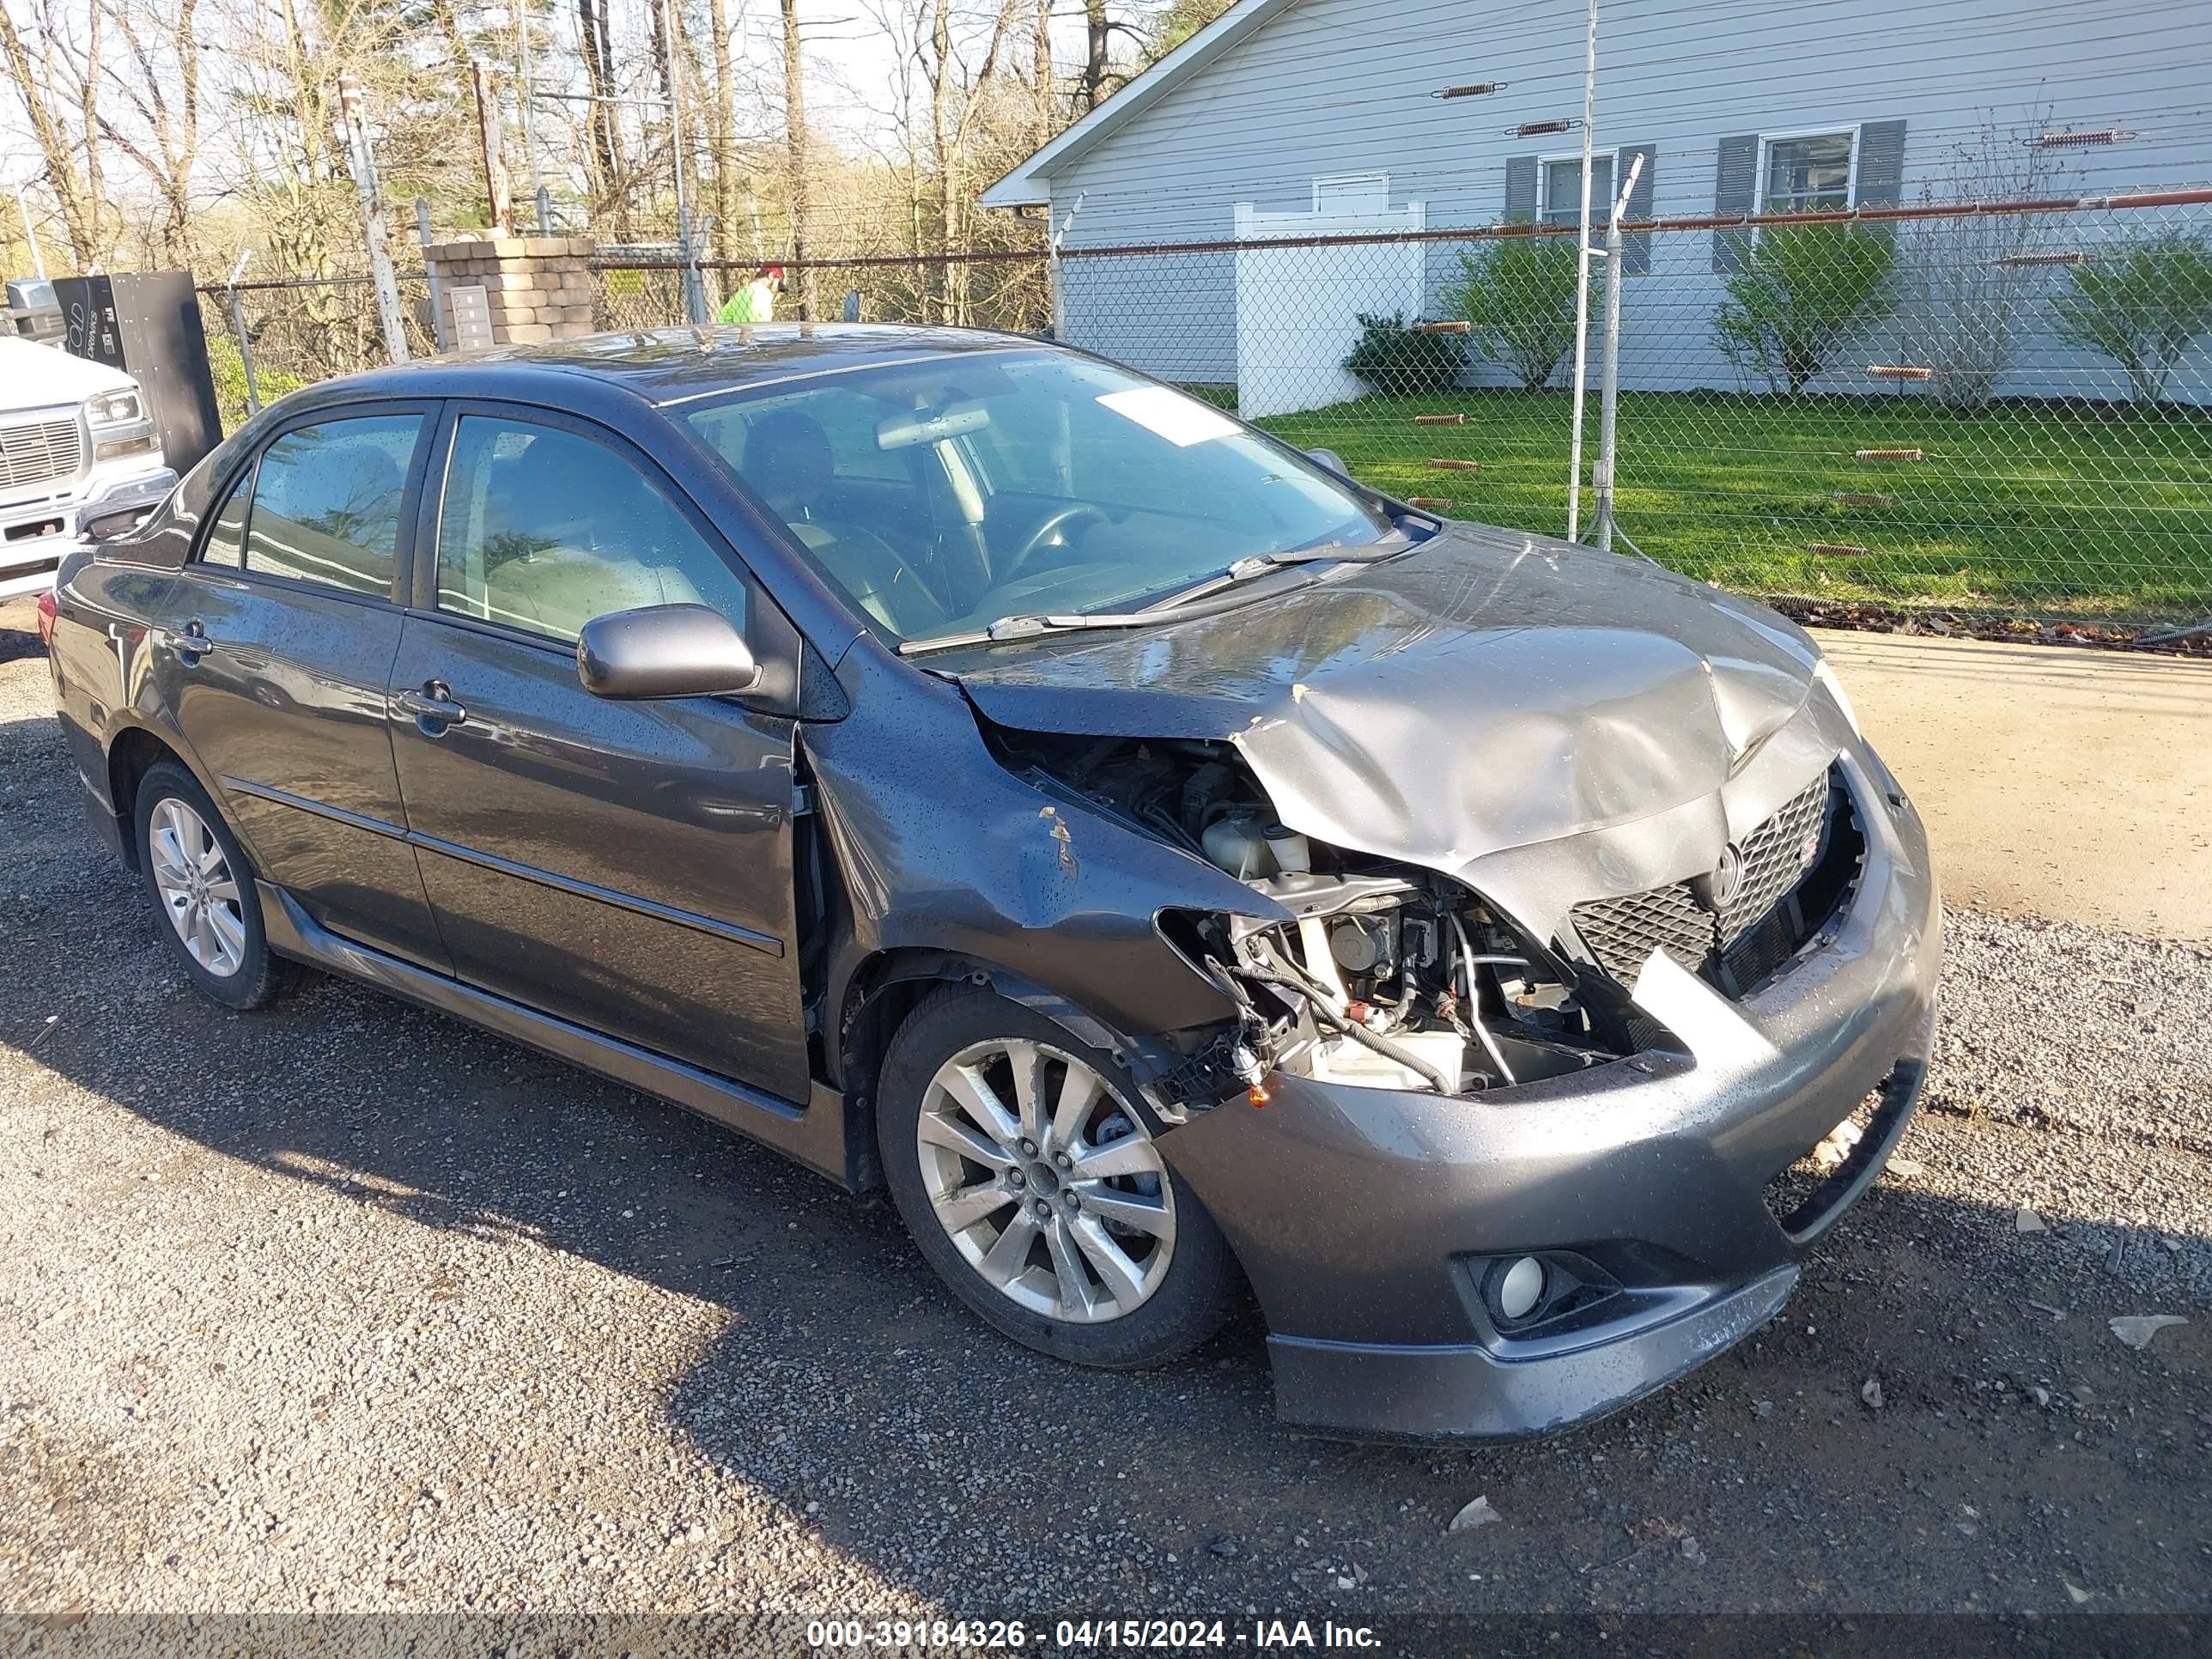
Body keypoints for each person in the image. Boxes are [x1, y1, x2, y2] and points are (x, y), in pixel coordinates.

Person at [716, 264, 786, 325]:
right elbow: (759, 324)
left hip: (726, 334)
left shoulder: (743, 292)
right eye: (779, 284)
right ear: (771, 276)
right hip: (749, 335)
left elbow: (722, 318)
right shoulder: (763, 294)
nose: (778, 290)